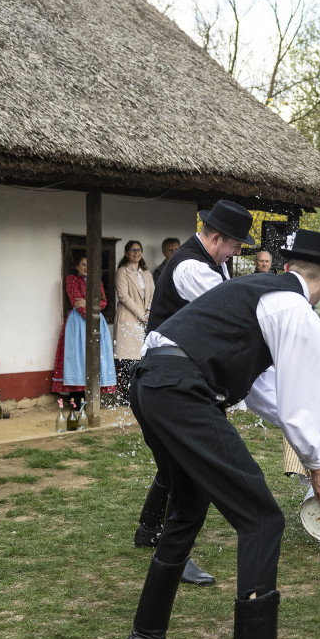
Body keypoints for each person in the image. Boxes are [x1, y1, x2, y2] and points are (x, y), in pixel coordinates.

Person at [121, 229, 320, 639]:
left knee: (187, 508)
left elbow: (257, 392)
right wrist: (318, 463)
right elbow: (297, 406)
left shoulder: (262, 292)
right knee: (262, 521)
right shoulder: (296, 312)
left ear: (291, 265)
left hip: (152, 383)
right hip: (183, 391)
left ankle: (146, 637)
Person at [132, 200, 254, 587]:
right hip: (173, 378)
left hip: (174, 376)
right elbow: (232, 310)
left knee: (174, 462)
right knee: (190, 468)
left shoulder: (211, 260)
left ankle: (148, 530)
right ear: (217, 237)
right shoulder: (190, 266)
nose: (239, 252)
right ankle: (173, 549)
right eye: (236, 244)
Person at [51, 256, 116, 408]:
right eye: (83, 264)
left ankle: (91, 401)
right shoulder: (71, 279)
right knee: (78, 357)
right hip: (78, 323)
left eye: (89, 265)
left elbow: (103, 302)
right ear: (77, 266)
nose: (86, 267)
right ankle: (76, 400)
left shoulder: (96, 281)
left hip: (95, 321)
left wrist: (87, 303)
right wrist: (91, 310)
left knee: (95, 356)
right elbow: (75, 300)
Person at [113, 241, 153, 405]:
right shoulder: (122, 272)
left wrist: (149, 311)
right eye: (133, 250)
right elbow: (123, 296)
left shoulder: (146, 273)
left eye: (139, 249)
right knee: (127, 358)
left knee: (140, 357)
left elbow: (152, 293)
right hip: (129, 317)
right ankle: (125, 395)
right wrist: (140, 314)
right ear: (126, 252)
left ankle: (137, 393)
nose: (136, 252)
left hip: (144, 318)